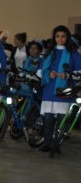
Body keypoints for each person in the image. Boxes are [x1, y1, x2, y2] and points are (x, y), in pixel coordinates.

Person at [38, 25, 81, 153]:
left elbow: (79, 71)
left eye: (63, 36)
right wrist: (48, 74)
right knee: (48, 118)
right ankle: (48, 143)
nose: (60, 39)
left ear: (67, 37)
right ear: (54, 37)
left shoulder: (73, 52)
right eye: (57, 36)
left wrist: (67, 75)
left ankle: (57, 144)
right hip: (49, 88)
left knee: (61, 119)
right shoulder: (50, 51)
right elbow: (40, 71)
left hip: (65, 90)